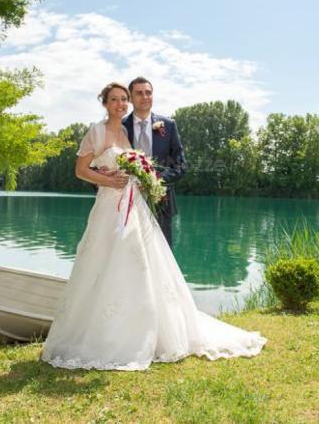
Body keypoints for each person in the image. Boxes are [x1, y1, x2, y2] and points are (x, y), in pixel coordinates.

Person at [40, 82, 267, 371]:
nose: (123, 103)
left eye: (125, 98)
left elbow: (178, 165)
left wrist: (153, 180)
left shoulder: (154, 127)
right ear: (106, 103)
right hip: (113, 207)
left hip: (143, 206)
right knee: (106, 262)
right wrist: (109, 180)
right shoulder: (102, 130)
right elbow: (83, 169)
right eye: (118, 99)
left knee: (151, 265)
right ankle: (109, 333)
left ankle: (156, 329)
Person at [121, 77, 186, 248]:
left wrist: (154, 180)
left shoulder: (169, 125)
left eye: (148, 93)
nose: (145, 97)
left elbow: (181, 165)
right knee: (129, 254)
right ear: (130, 97)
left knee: (162, 257)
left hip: (161, 203)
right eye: (139, 93)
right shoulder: (119, 126)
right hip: (126, 203)